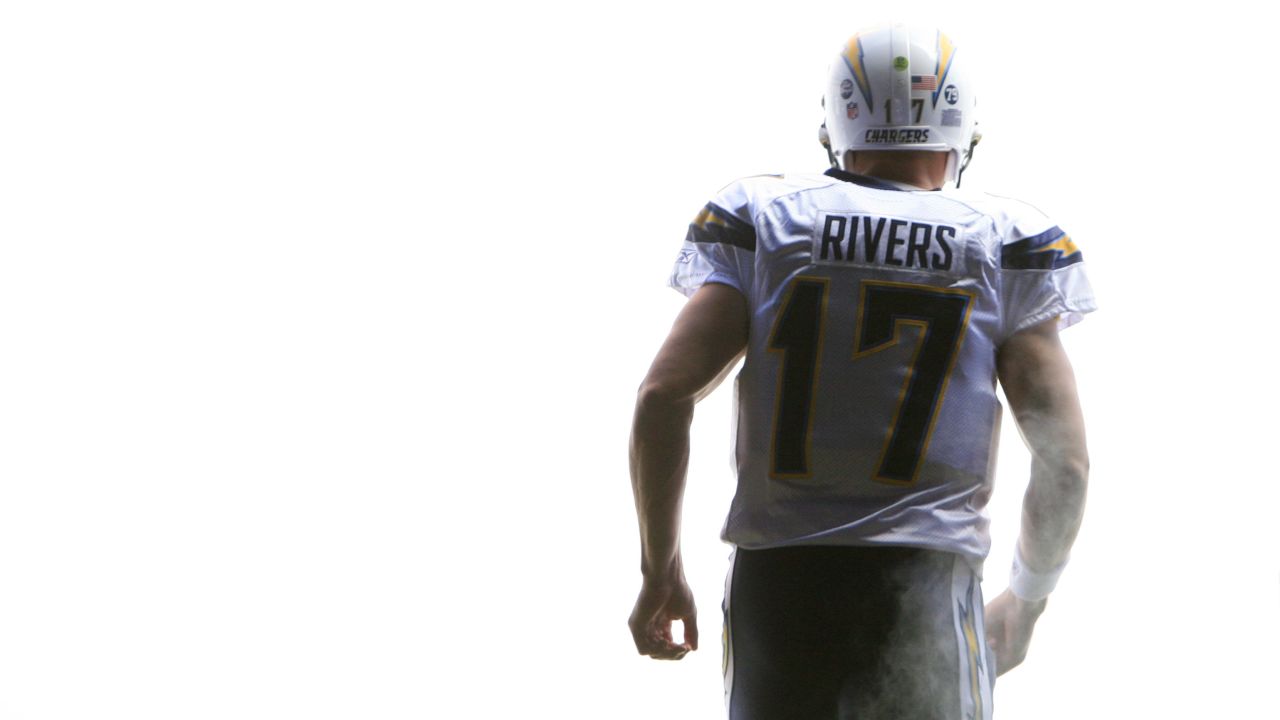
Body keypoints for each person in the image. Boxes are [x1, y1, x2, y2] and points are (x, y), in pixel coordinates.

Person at [627, 23, 1095, 720]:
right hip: (927, 579)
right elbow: (1066, 462)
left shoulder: (768, 218)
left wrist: (659, 569)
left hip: (779, 586)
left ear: (836, 124)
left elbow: (665, 396)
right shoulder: (999, 240)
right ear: (962, 128)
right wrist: (1027, 600)